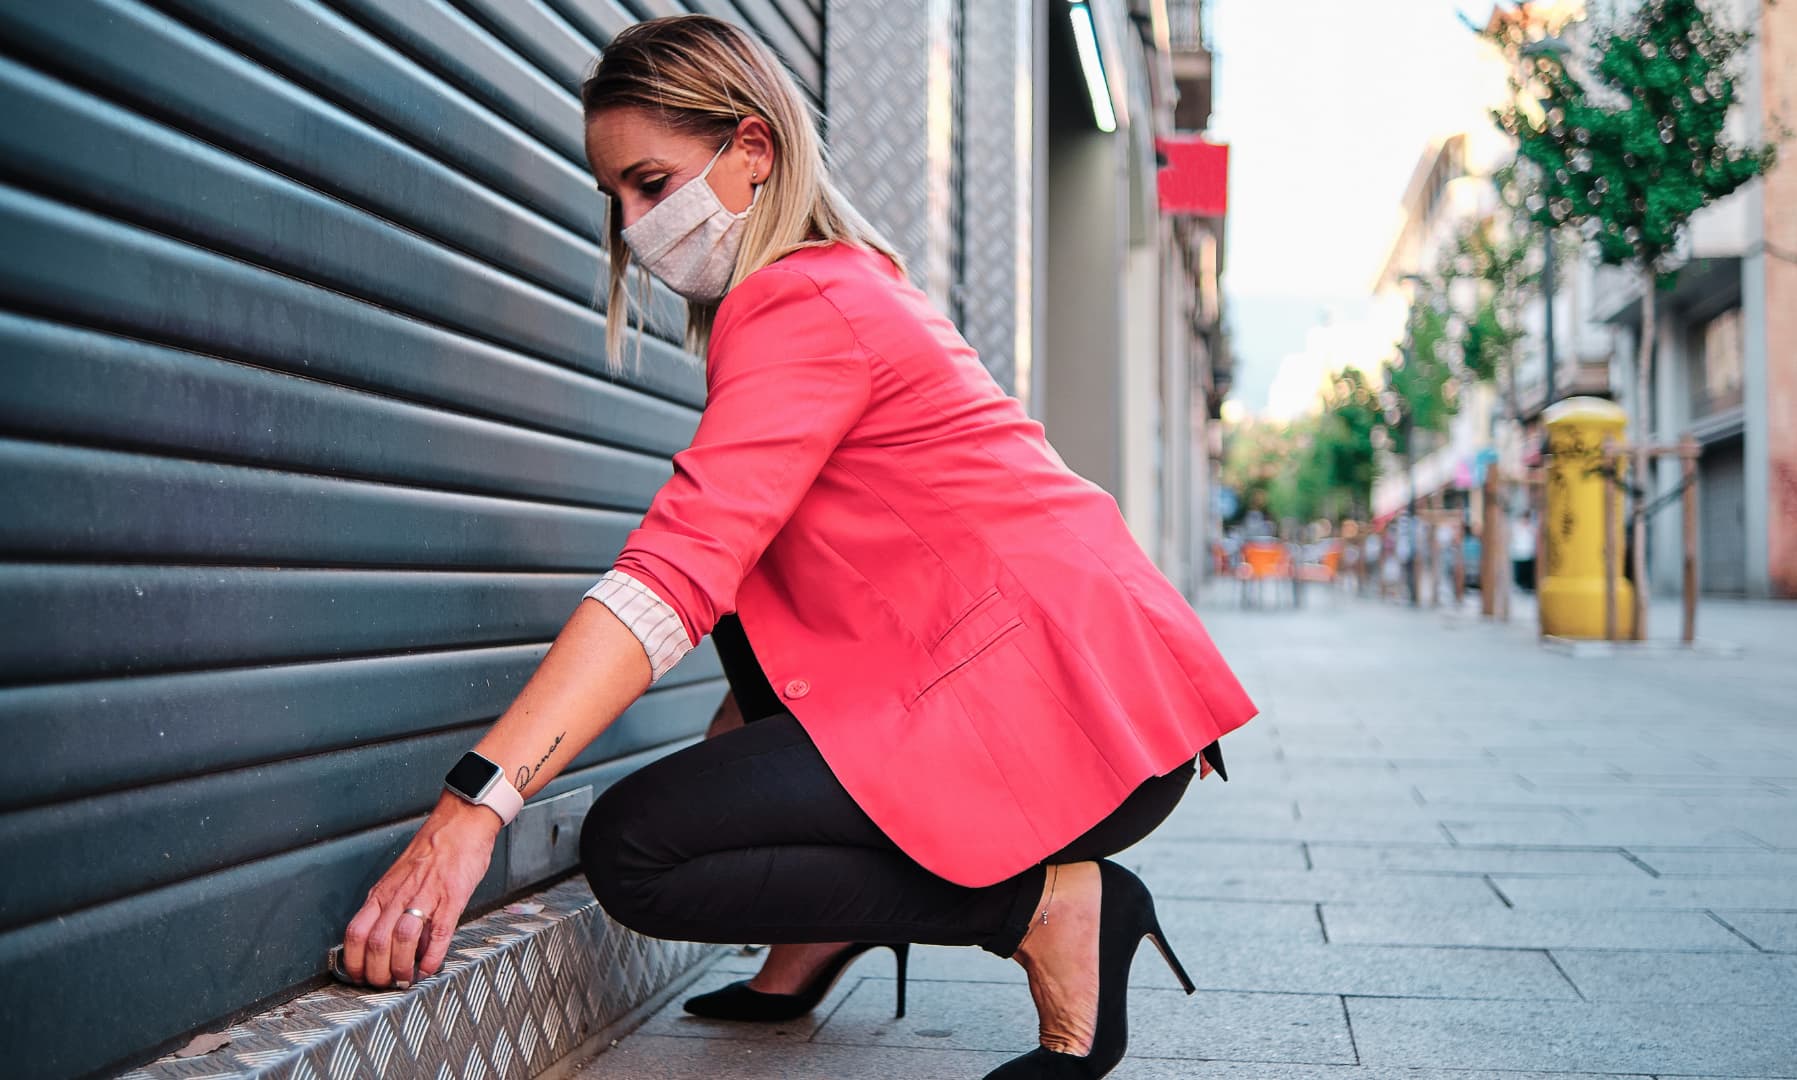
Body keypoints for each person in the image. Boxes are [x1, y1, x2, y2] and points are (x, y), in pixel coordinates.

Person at [334, 15, 1256, 1079]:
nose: (634, 226)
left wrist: (474, 808)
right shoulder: (839, 279)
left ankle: (1051, 908)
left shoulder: (796, 300)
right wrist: (761, 800)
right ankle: (814, 941)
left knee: (640, 852)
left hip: (1059, 714)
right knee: (743, 623)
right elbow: (757, 600)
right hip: (1079, 685)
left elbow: (671, 575)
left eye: (651, 181)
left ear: (752, 150)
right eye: (615, 199)